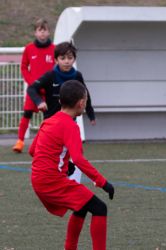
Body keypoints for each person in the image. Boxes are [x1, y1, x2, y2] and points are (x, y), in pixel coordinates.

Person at [29, 80, 114, 250]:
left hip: (38, 179)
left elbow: (32, 150)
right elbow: (80, 160)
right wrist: (103, 183)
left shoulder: (49, 121)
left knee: (81, 206)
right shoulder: (71, 126)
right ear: (81, 103)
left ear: (60, 101)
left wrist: (64, 165)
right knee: (99, 208)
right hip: (51, 181)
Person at [27, 41, 96, 182]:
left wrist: (90, 113)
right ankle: (51, 180)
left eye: (70, 58)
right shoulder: (50, 76)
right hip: (50, 125)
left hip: (69, 124)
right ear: (56, 59)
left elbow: (85, 94)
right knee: (42, 153)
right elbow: (31, 89)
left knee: (71, 156)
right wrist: (39, 101)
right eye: (63, 58)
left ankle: (68, 183)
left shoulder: (77, 76)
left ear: (74, 59)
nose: (66, 61)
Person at [12, 18, 55, 153]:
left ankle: (45, 142)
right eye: (39, 30)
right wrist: (32, 82)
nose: (42, 33)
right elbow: (24, 67)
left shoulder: (54, 49)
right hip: (34, 90)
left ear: (49, 32)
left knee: (48, 117)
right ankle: (20, 141)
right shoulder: (29, 49)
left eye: (45, 30)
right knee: (27, 114)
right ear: (35, 33)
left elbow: (57, 68)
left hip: (48, 89)